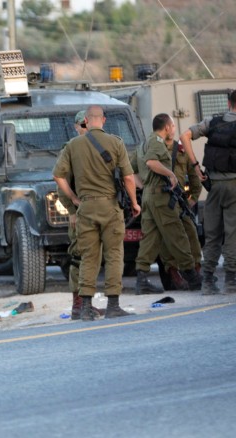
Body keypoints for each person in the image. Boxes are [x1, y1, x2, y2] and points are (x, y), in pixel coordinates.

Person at [53, 105, 141, 321]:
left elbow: (58, 176)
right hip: (110, 207)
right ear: (103, 119)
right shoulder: (116, 142)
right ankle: (113, 305)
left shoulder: (73, 145)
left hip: (86, 208)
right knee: (113, 255)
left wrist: (74, 199)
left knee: (88, 258)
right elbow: (129, 178)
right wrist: (134, 202)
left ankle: (85, 308)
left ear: (85, 121)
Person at [179, 89, 236, 295]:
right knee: (233, 234)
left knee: (213, 236)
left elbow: (184, 136)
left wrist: (196, 167)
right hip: (235, 187)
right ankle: (230, 280)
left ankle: (207, 282)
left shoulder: (211, 122)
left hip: (213, 188)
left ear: (228, 103)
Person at [132, 114, 202, 293]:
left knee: (150, 239)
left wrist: (144, 185)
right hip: (161, 197)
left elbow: (130, 170)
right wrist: (170, 175)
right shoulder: (156, 141)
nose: (174, 129)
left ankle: (141, 279)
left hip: (149, 196)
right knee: (177, 235)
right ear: (167, 127)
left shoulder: (142, 145)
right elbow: (151, 162)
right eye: (172, 125)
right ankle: (192, 277)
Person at [55, 110, 101, 319]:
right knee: (78, 257)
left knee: (93, 258)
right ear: (76, 127)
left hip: (98, 211)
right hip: (80, 213)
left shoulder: (99, 146)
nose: (85, 129)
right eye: (82, 126)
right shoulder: (71, 149)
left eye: (87, 125)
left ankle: (87, 302)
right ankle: (79, 304)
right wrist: (72, 210)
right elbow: (61, 182)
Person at [156, 135, 203, 290]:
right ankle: (173, 272)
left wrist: (194, 197)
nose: (173, 130)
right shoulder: (154, 149)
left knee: (191, 232)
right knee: (166, 238)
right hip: (162, 199)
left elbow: (194, 174)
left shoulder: (181, 150)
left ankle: (196, 269)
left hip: (180, 200)